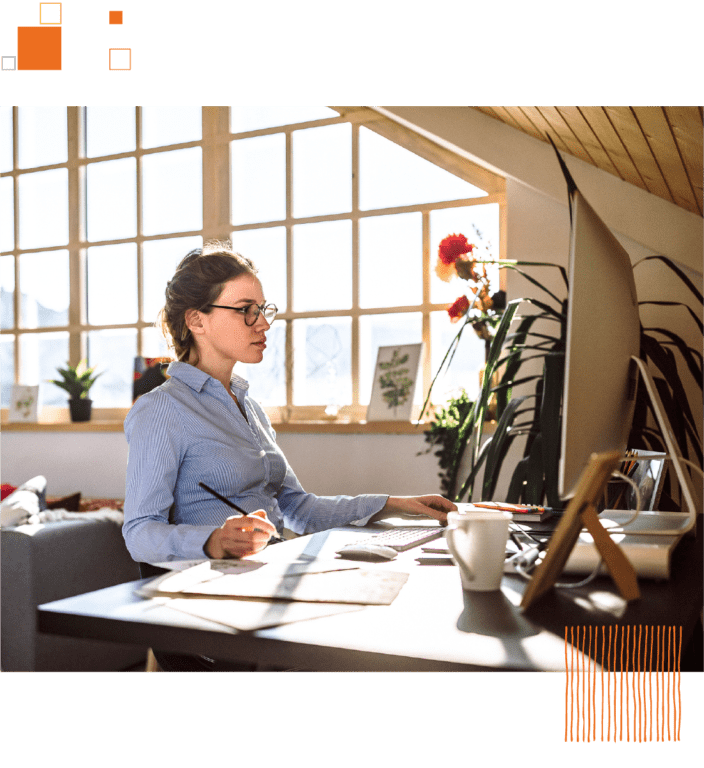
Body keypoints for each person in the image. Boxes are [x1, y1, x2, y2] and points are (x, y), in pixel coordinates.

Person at [123, 242, 457, 571]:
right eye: (245, 310)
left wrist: (392, 505)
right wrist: (213, 541)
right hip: (211, 591)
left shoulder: (249, 406)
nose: (263, 323)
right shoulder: (160, 410)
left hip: (271, 573)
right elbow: (139, 533)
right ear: (197, 321)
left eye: (263, 309)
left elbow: (300, 509)